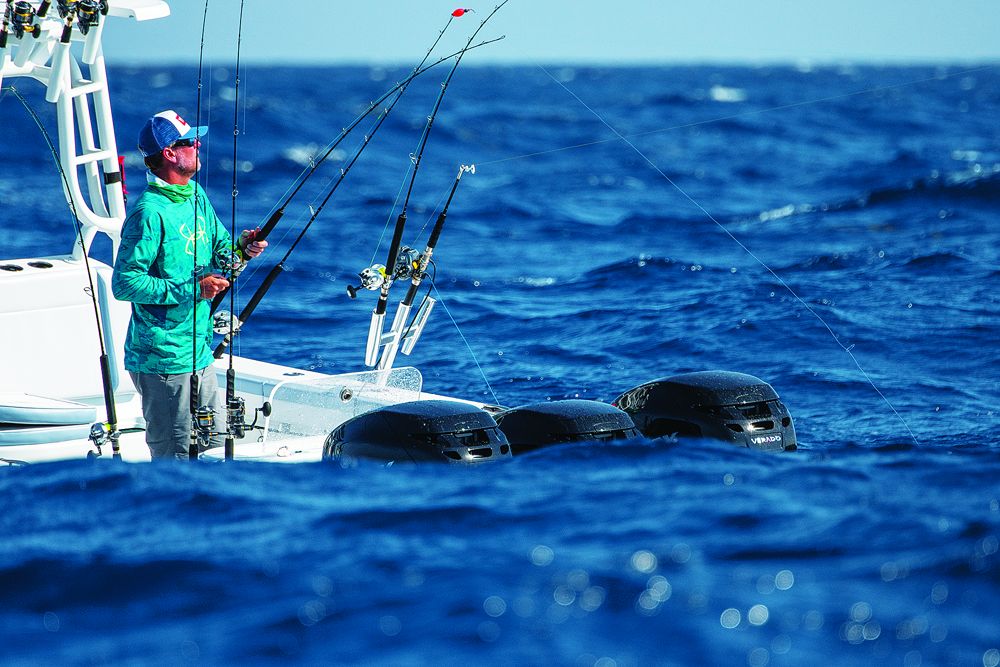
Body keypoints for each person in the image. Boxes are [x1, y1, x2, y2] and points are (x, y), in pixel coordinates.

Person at [112, 110, 267, 460]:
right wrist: (194, 290)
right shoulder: (149, 213)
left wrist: (245, 248)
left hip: (199, 351)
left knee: (213, 448)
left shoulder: (195, 195)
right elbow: (124, 283)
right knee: (175, 459)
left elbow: (223, 251)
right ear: (169, 153)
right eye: (188, 141)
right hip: (163, 360)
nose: (198, 144)